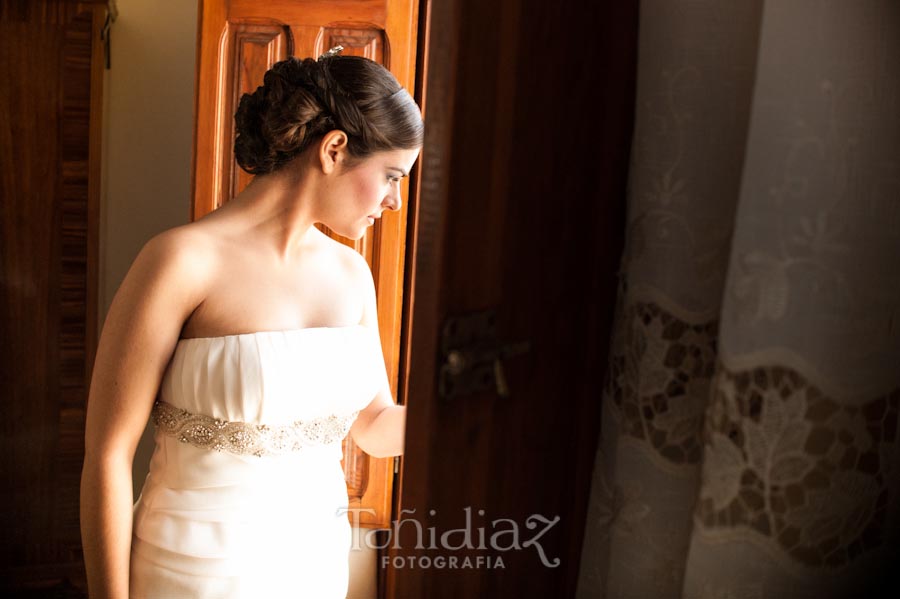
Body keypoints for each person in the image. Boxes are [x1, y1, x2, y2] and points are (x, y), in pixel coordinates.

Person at [79, 48, 423, 598]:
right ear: (335, 150)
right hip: (188, 572)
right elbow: (108, 455)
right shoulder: (180, 262)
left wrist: (463, 415)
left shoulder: (352, 274)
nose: (395, 201)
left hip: (312, 566)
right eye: (391, 176)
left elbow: (375, 426)